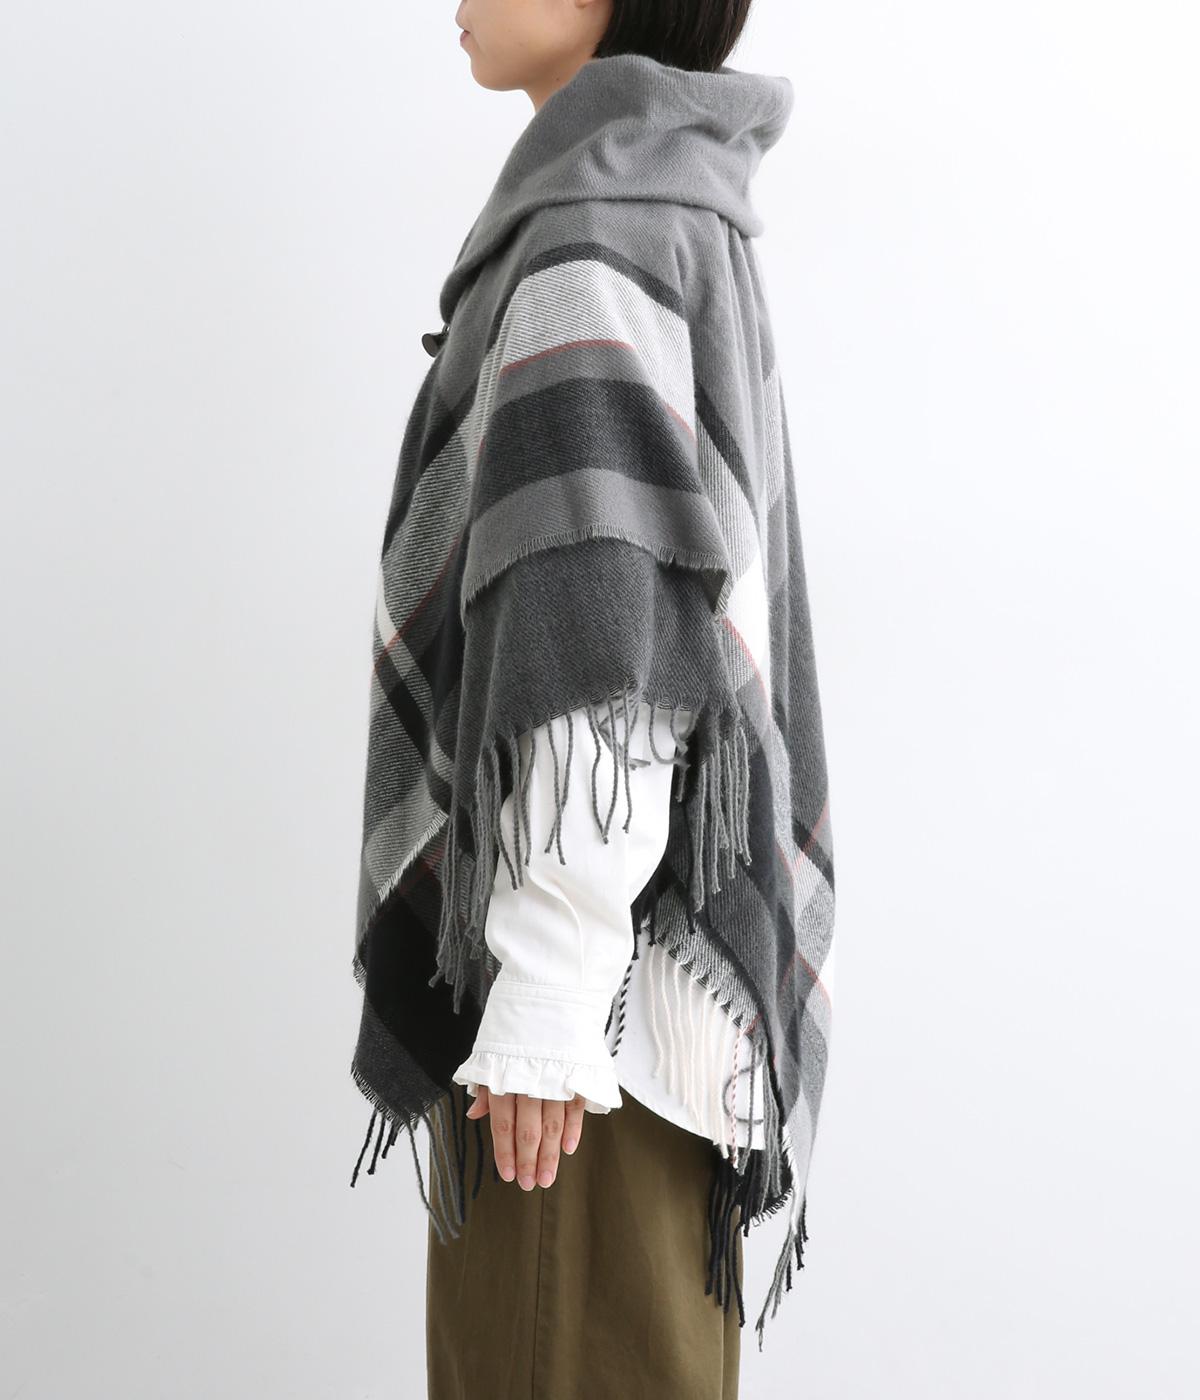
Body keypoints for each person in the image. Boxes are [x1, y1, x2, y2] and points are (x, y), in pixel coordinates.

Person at [349, 4, 837, 1397]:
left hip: (583, 1044)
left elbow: (607, 648)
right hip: (652, 1025)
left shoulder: (591, 240)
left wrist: (551, 991)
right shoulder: (677, 198)